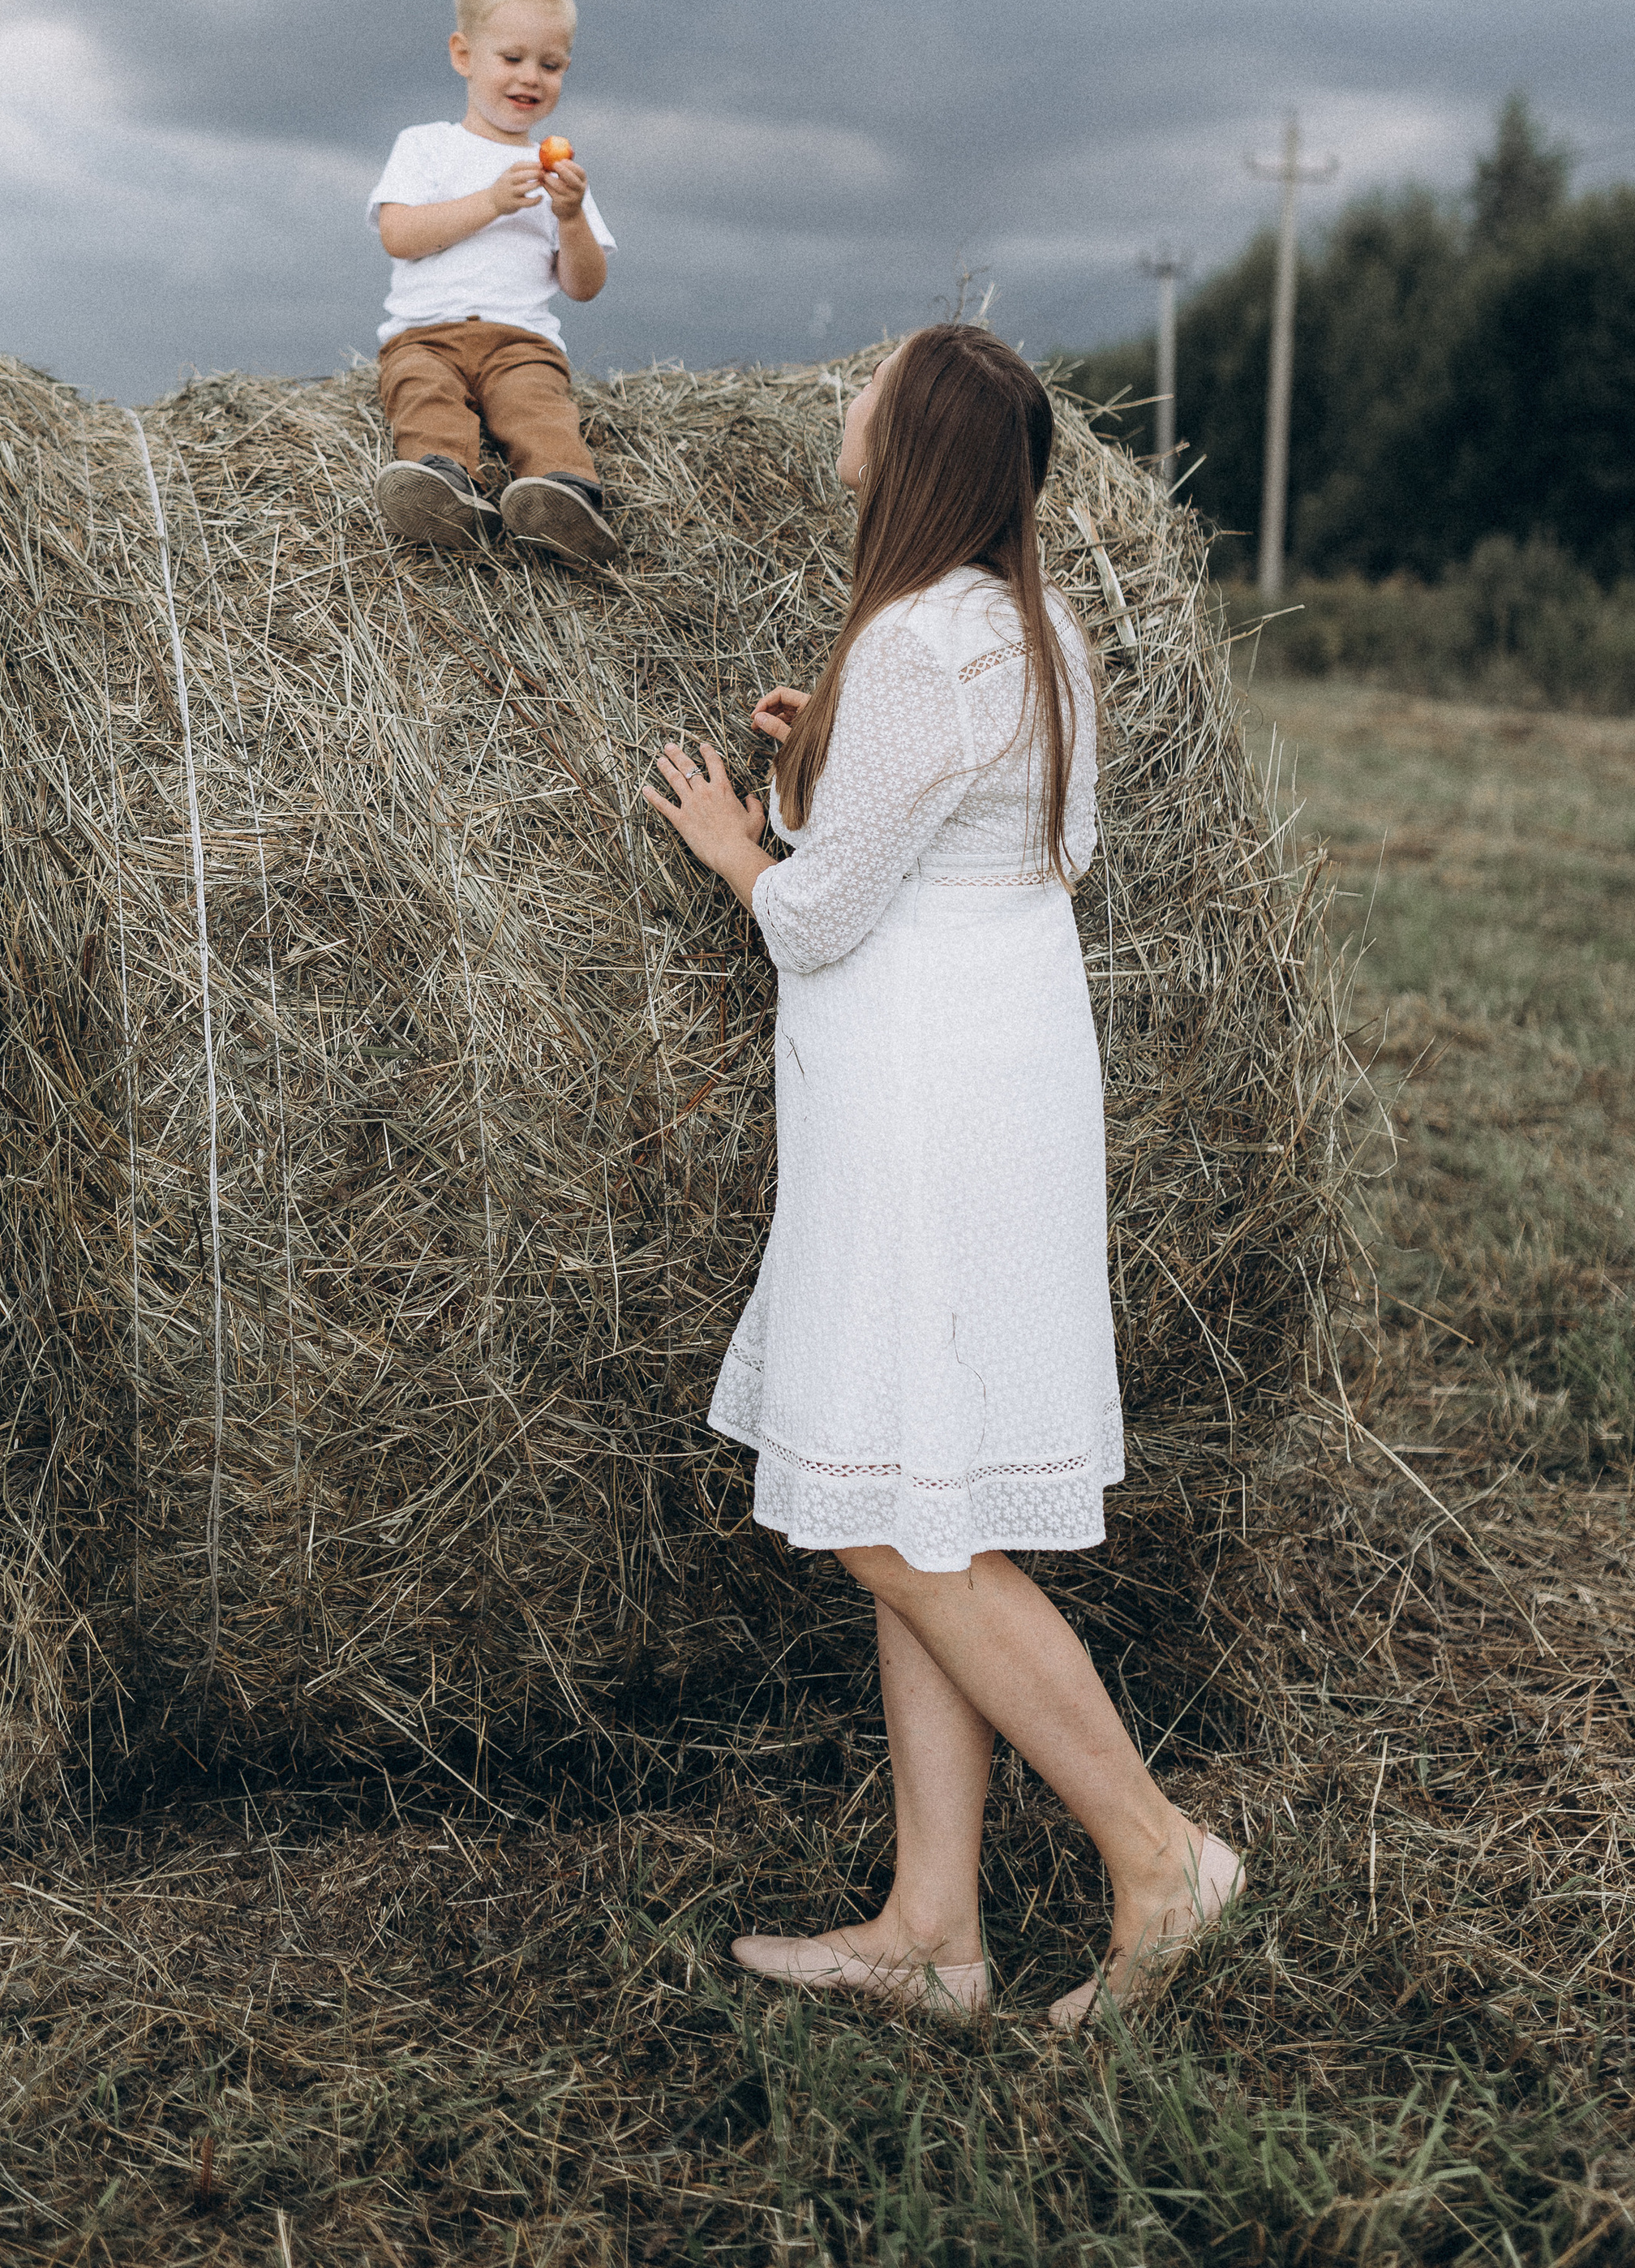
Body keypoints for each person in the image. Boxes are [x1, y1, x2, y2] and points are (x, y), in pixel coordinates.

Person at [641, 324, 1244, 2027]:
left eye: (873, 381)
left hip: (913, 1100)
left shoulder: (913, 640)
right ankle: (933, 1930)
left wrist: (739, 843)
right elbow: (1039, 846)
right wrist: (829, 766)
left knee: (886, 1523)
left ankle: (1159, 1856)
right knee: (928, 1494)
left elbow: (823, 917)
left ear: (910, 439)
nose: (847, 395)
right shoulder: (1036, 631)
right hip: (1010, 1079)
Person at [368, 0, 620, 569]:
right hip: (424, 335)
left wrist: (571, 216)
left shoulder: (559, 176)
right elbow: (399, 235)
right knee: (422, 393)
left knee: (538, 406)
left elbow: (584, 286)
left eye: (550, 65)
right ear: (464, 55)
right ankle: (442, 486)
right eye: (512, 58)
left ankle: (562, 495)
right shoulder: (426, 145)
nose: (530, 76)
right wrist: (491, 203)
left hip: (521, 339)